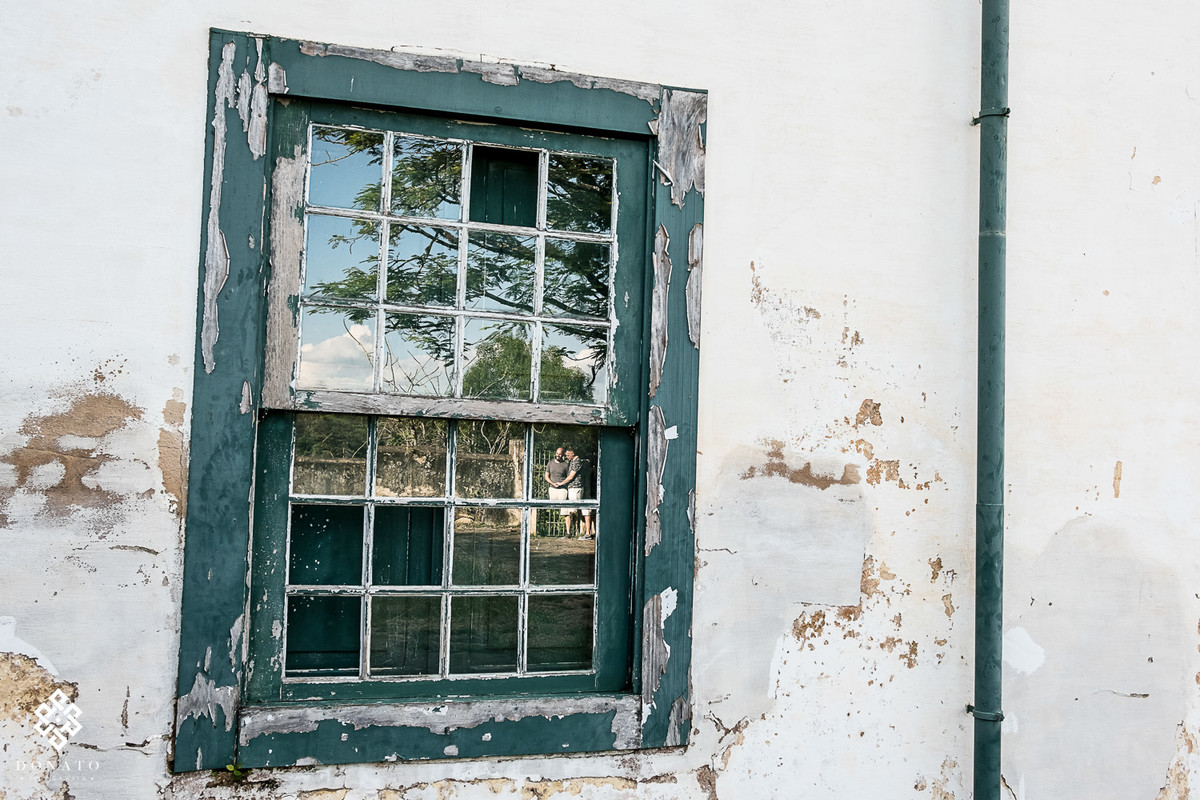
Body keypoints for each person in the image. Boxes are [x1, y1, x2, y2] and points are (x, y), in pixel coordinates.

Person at [564, 448, 593, 538]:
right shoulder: (572, 461)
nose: (567, 457)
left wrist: (561, 483)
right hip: (574, 488)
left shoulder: (577, 462)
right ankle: (580, 531)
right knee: (577, 510)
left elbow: (571, 476)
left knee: (582, 510)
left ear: (573, 453)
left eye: (568, 455)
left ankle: (587, 533)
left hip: (576, 488)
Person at [544, 447, 572, 533]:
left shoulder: (566, 465)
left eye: (560, 454)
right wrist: (552, 483)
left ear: (563, 455)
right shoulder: (550, 463)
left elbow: (569, 477)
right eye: (557, 453)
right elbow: (546, 476)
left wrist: (561, 483)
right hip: (552, 488)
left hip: (562, 489)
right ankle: (551, 530)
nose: (558, 455)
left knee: (565, 510)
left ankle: (568, 532)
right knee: (552, 510)